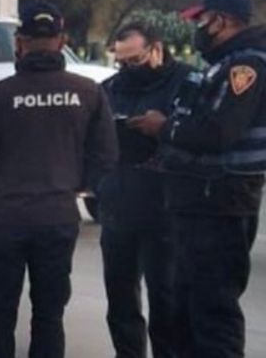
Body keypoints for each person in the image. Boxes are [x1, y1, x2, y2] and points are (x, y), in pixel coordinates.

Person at [0, 1, 118, 358]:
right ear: (62, 41)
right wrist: (78, 184)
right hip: (58, 218)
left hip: (6, 217)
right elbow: (107, 155)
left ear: (19, 42)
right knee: (49, 315)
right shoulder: (89, 92)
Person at [129, 0, 266, 357]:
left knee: (212, 313)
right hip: (201, 202)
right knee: (187, 310)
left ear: (220, 20)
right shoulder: (223, 63)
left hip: (221, 203)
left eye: (201, 19)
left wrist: (164, 127)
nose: (198, 27)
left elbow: (220, 132)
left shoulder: (246, 66)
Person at [98, 21, 194, 358]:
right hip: (119, 202)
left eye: (134, 61)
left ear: (156, 49)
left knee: (165, 299)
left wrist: (163, 129)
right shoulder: (110, 88)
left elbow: (205, 138)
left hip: (166, 206)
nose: (127, 69)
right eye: (121, 62)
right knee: (120, 298)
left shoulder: (187, 83)